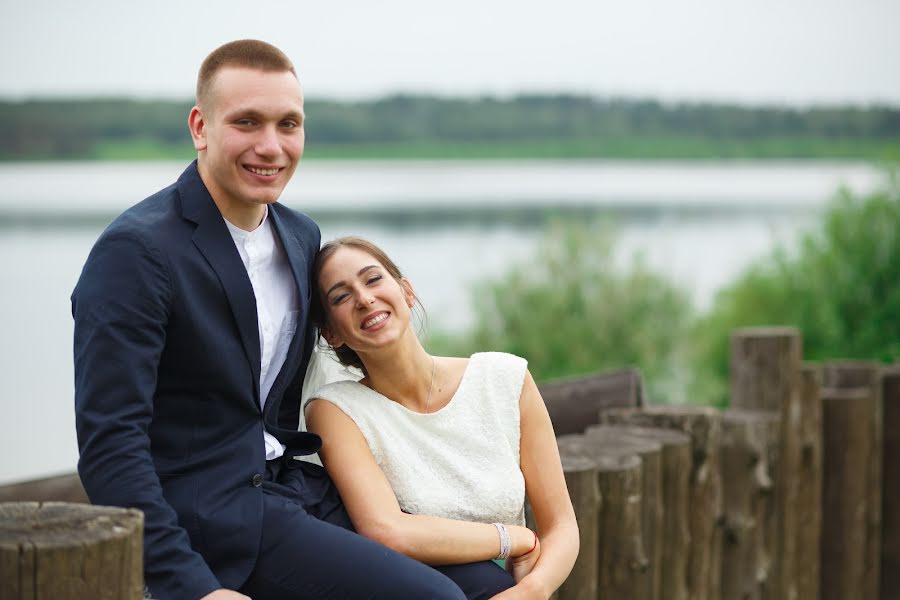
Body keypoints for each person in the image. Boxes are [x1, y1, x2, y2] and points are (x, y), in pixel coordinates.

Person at [73, 40, 509, 600]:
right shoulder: (136, 253)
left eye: (289, 124)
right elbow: (111, 443)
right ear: (200, 127)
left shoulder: (301, 236)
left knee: (487, 588)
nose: (271, 146)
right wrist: (191, 586)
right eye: (247, 122)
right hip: (210, 519)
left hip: (296, 489)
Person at [305, 237, 580, 599]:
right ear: (331, 333)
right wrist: (513, 538)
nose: (364, 298)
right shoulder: (336, 411)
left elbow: (561, 525)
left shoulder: (505, 379)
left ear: (406, 291)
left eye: (373, 279)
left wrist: (532, 590)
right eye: (341, 296)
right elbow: (388, 531)